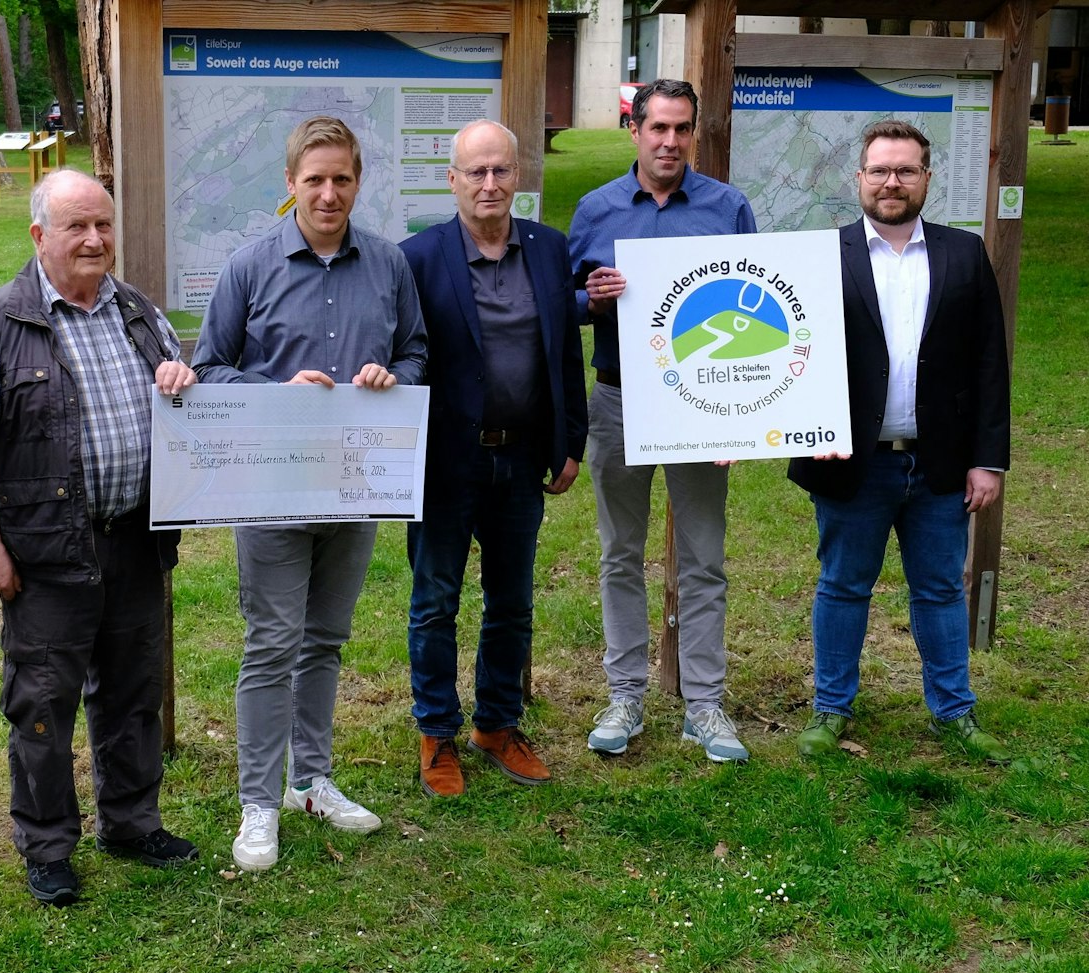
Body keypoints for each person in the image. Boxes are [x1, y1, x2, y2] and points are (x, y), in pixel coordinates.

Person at [0, 169, 201, 905]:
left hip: (134, 538)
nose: (95, 239)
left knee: (133, 690)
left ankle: (130, 821)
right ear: (39, 236)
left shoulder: (137, 312)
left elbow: (181, 396)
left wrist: (181, 380)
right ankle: (47, 844)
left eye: (103, 225)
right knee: (42, 701)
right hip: (46, 549)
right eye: (76, 227)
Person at [194, 116, 427, 873]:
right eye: (315, 180)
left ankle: (311, 780)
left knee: (325, 637)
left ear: (359, 182)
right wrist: (275, 390)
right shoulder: (249, 267)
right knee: (272, 642)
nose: (329, 194)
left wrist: (393, 376)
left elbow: (416, 351)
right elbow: (210, 367)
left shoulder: (388, 264)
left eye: (342, 179)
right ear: (291, 183)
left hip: (354, 484)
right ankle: (259, 801)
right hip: (272, 487)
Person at [789, 121, 1011, 764]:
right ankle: (831, 708)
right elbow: (792, 354)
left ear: (926, 179)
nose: (892, 182)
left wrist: (988, 460)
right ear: (859, 178)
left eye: (906, 170)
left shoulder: (963, 253)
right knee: (842, 586)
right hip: (851, 460)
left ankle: (954, 712)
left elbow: (989, 364)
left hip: (939, 462)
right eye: (881, 170)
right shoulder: (821, 256)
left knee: (940, 589)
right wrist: (810, 427)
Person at [568, 78, 758, 764]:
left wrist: (742, 416)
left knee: (703, 557)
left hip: (700, 405)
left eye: (682, 129)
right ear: (635, 131)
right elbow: (560, 303)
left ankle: (704, 704)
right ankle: (625, 694)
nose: (670, 141)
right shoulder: (595, 210)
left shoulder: (727, 207)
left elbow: (755, 302)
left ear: (694, 134)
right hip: (618, 399)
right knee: (620, 552)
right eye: (658, 128)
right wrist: (590, 300)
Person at [398, 120, 587, 796]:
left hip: (522, 458)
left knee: (511, 602)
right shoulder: (417, 258)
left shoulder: (549, 249)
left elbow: (565, 353)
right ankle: (436, 731)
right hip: (444, 463)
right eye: (475, 172)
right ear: (451, 180)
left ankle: (498, 724)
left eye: (500, 170)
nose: (488, 183)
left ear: (517, 176)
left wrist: (570, 441)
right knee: (434, 602)